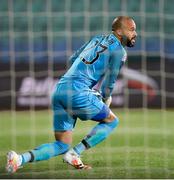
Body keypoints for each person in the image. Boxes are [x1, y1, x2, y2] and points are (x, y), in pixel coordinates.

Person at [6, 16, 137, 173]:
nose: (135, 33)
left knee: (62, 144)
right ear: (118, 31)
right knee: (111, 121)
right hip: (78, 92)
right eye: (131, 29)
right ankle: (75, 153)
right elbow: (110, 81)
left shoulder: (96, 39)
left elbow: (72, 59)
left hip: (60, 89)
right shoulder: (119, 51)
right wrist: (105, 97)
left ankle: (18, 159)